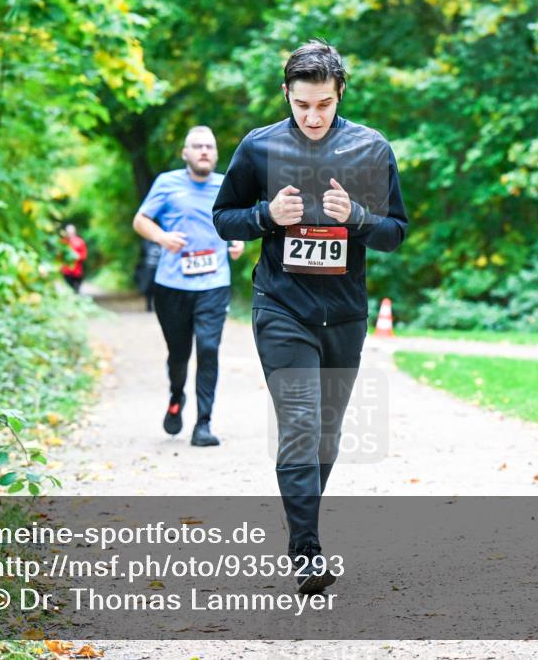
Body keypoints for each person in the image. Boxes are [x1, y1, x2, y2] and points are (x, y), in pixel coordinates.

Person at [212, 40, 407, 593]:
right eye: (302, 105)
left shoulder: (371, 149)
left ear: (339, 93)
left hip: (344, 314)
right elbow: (224, 218)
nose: (313, 116)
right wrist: (265, 216)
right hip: (282, 307)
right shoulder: (259, 148)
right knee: (300, 424)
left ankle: (303, 526)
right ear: (287, 95)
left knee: (327, 433)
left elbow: (396, 232)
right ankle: (307, 552)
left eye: (323, 104)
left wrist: (362, 218)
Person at [133, 126, 245, 447]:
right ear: (185, 153)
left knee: (208, 350)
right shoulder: (167, 183)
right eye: (197, 146)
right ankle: (176, 395)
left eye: (209, 146)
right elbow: (141, 220)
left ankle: (204, 424)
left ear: (216, 152)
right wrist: (162, 237)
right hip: (172, 284)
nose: (204, 151)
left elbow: (235, 221)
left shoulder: (227, 185)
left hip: (214, 282)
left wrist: (236, 240)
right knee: (179, 353)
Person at [134, 238, 161, 312]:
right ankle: (148, 305)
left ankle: (157, 306)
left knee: (158, 289)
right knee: (148, 288)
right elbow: (142, 255)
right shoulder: (145, 242)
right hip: (148, 269)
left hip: (160, 269)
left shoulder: (164, 241)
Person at [60, 224, 88, 293]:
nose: (70, 234)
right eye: (68, 232)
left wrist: (77, 257)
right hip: (66, 271)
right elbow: (59, 255)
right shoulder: (63, 242)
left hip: (77, 271)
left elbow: (84, 255)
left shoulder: (80, 241)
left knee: (76, 289)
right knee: (68, 288)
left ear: (75, 232)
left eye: (71, 232)